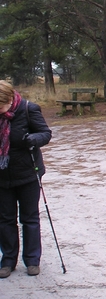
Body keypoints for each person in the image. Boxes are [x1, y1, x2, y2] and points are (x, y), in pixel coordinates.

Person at [0, 80, 52, 278]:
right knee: (5, 219)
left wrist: (33, 139)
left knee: (29, 218)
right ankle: (7, 261)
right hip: (2, 175)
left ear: (9, 99)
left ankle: (32, 260)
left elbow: (45, 133)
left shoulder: (29, 109)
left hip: (28, 173)